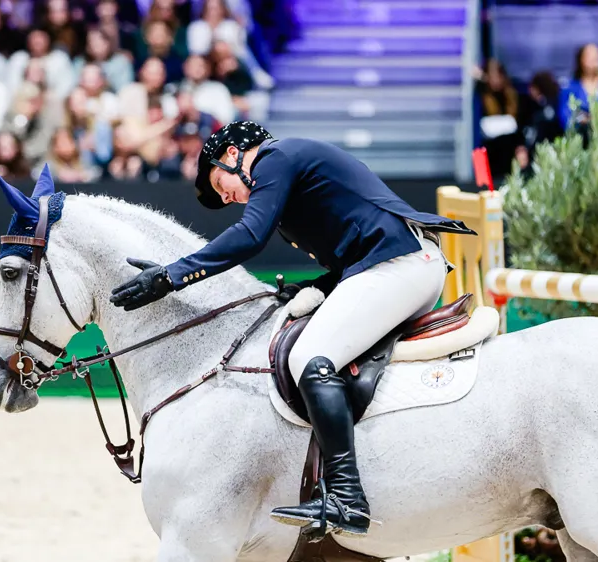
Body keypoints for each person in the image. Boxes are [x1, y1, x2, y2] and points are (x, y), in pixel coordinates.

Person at [108, 121, 476, 536]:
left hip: (400, 265)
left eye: (219, 183)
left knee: (309, 357)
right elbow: (348, 255)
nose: (226, 197)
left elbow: (250, 236)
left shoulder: (275, 159)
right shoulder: (287, 169)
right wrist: (313, 289)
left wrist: (172, 276)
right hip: (390, 266)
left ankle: (346, 498)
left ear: (232, 154)